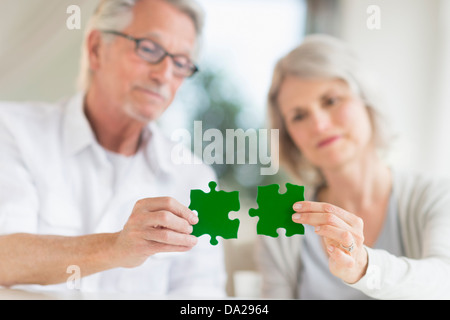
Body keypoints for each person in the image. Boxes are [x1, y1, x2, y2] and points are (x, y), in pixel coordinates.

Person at [0, 0, 226, 297]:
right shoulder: (12, 130)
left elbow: (201, 296)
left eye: (181, 62)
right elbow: (5, 258)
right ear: (96, 49)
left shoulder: (195, 178)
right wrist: (116, 246)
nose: (164, 75)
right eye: (149, 48)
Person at [257, 34, 450, 299]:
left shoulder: (435, 195)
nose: (319, 125)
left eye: (331, 100)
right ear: (288, 135)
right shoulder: (280, 222)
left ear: (367, 102)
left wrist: (364, 266)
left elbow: (443, 282)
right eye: (299, 116)